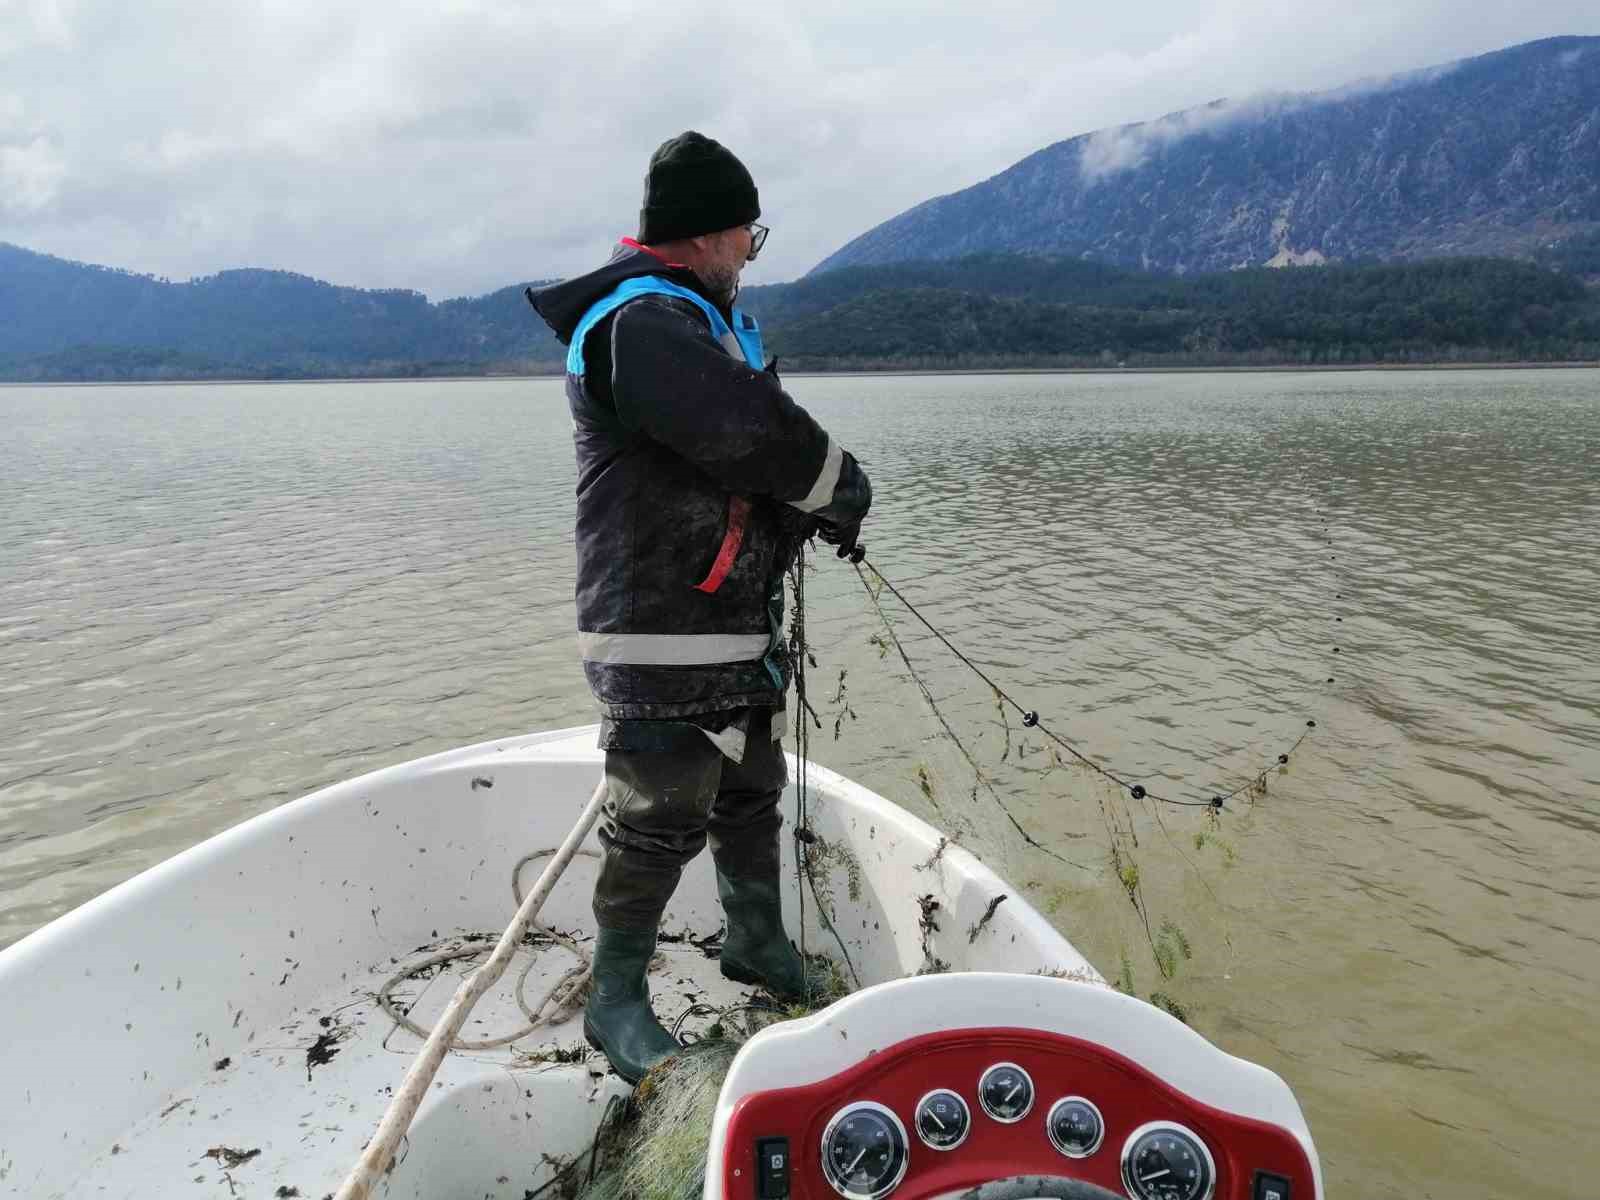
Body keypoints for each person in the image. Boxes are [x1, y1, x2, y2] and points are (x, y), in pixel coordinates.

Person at [530, 131, 872, 1084]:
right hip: (659, 618)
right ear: (707, 236)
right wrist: (839, 487)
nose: (750, 256)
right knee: (660, 811)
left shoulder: (692, 318)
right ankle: (615, 1003)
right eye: (747, 238)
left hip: (731, 613)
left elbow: (748, 458)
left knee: (751, 782)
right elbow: (749, 434)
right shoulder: (638, 326)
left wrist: (804, 517)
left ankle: (753, 940)